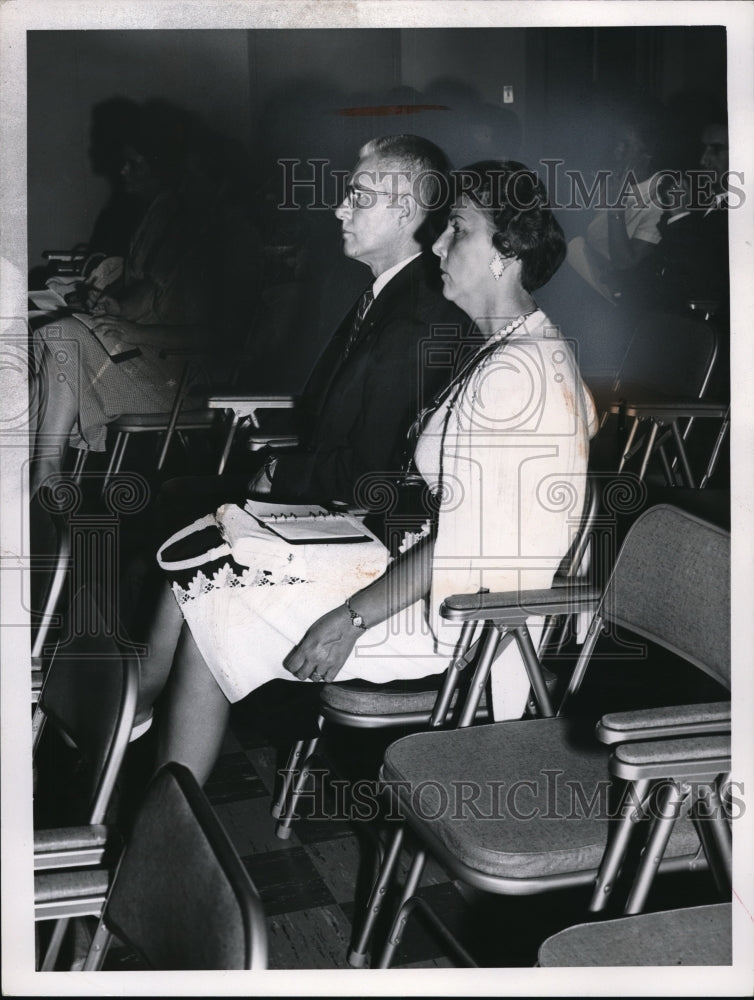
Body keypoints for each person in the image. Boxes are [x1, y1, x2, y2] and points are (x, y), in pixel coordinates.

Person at [148, 159, 598, 785]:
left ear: (507, 253)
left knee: (216, 609)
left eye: (457, 230)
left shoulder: (516, 374)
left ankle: (161, 814)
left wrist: (349, 619)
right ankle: (140, 747)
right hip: (433, 576)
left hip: (471, 618)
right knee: (215, 562)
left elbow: (464, 548)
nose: (437, 244)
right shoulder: (516, 347)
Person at [155, 133, 469, 543]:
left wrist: (279, 471)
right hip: (326, 491)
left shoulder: (417, 318)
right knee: (173, 502)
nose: (340, 210)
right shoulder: (390, 296)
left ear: (403, 211)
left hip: (360, 522)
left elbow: (372, 477)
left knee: (171, 512)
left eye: (358, 197)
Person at [29, 101, 220, 499]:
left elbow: (214, 337)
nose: (123, 171)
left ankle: (46, 468)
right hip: (144, 358)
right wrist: (116, 308)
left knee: (62, 334)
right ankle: (29, 466)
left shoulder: (208, 231)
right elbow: (152, 294)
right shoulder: (160, 215)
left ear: (162, 166)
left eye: (134, 163)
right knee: (40, 336)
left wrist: (130, 327)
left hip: (177, 382)